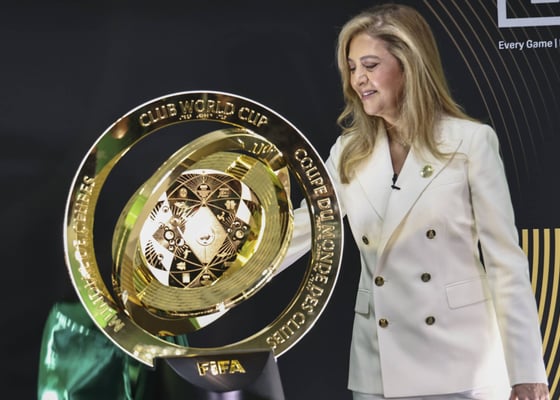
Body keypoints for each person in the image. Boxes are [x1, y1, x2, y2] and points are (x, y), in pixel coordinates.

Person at [282, 3, 550, 399]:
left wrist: (526, 372)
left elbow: (505, 262)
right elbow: (300, 233)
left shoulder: (470, 143)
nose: (358, 79)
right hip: (379, 368)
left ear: (409, 65)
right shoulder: (348, 152)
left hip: (465, 366)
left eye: (370, 65)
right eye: (352, 68)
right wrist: (216, 264)